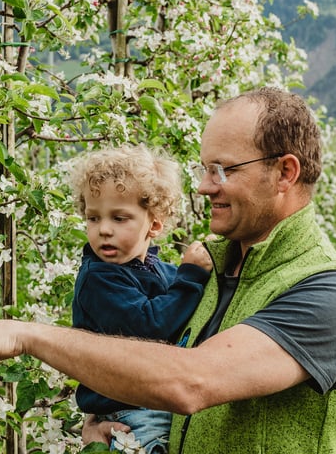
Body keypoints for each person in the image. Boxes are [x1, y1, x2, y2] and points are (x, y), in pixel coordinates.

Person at [0, 87, 336, 454]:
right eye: (203, 169)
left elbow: (189, 382)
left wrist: (27, 336)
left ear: (285, 172)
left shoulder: (334, 295)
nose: (202, 187)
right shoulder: (212, 269)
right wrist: (109, 412)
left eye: (221, 170)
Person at [68, 145, 213, 453]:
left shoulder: (157, 270)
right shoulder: (99, 278)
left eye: (120, 218)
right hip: (132, 413)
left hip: (154, 402)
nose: (104, 230)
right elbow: (149, 327)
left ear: (155, 224)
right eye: (93, 218)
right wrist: (191, 276)